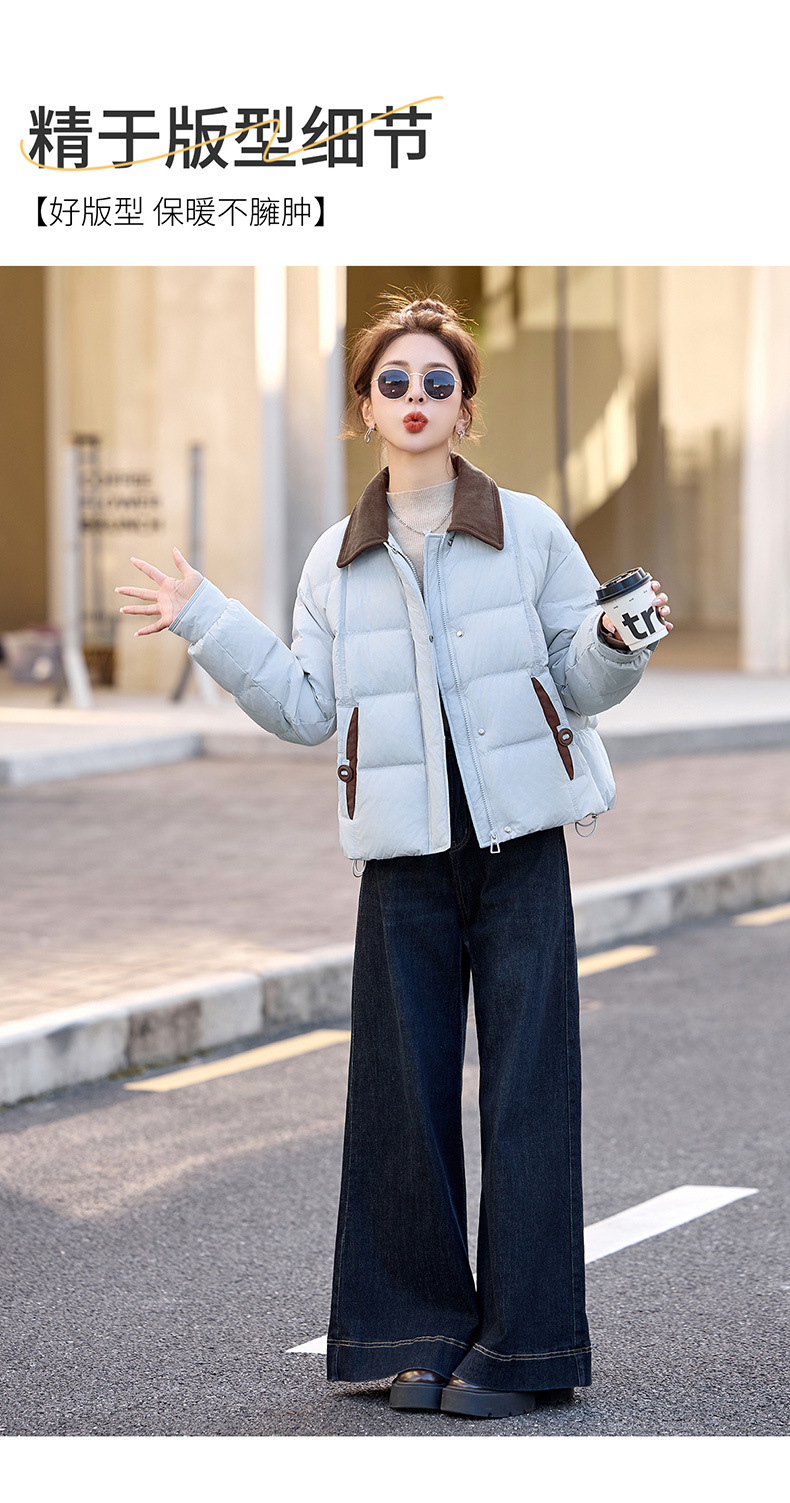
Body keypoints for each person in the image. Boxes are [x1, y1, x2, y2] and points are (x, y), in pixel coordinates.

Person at [116, 293, 672, 1421]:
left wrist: (616, 640)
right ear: (364, 409)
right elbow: (305, 708)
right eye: (394, 383)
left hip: (519, 848)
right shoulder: (335, 561)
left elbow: (579, 676)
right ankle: (416, 1332)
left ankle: (526, 1351)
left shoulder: (529, 530)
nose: (415, 399)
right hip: (402, 863)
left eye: (437, 383)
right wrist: (206, 619)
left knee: (527, 1094)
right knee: (400, 1101)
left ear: (465, 408)